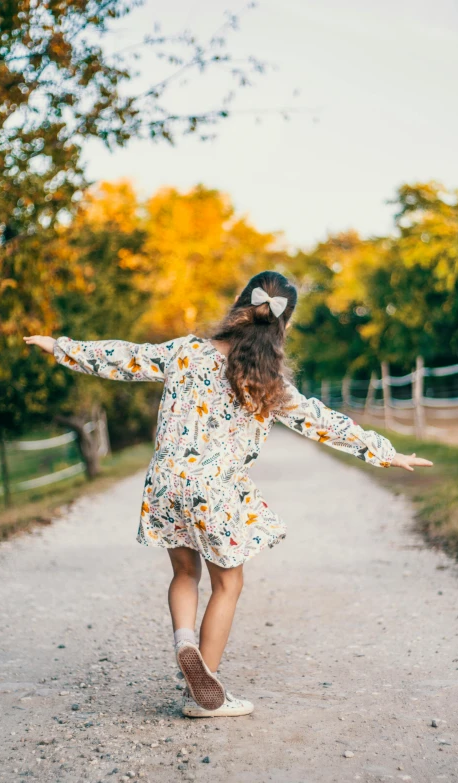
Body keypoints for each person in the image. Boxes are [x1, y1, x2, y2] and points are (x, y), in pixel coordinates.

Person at [24, 270, 433, 718]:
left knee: (184, 574)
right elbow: (321, 420)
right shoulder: (268, 382)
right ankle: (205, 688)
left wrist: (60, 347)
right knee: (228, 583)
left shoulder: (186, 351)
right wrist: (385, 453)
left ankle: (185, 643)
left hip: (165, 482)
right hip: (213, 490)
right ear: (284, 326)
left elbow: (126, 357)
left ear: (240, 306)